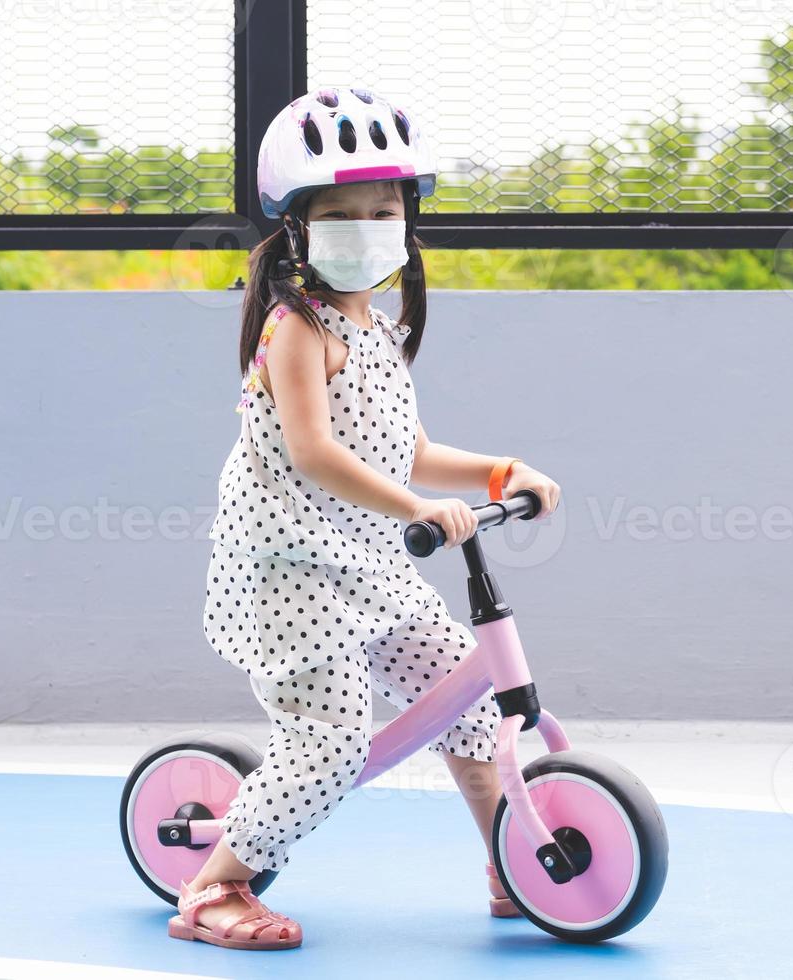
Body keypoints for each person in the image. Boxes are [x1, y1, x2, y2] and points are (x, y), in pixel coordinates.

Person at [171, 86, 562, 951]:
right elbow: (315, 451)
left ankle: (512, 861)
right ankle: (214, 889)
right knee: (331, 739)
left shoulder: (377, 330)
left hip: (369, 563)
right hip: (287, 573)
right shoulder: (295, 330)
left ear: (407, 221)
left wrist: (499, 470)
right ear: (297, 231)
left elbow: (407, 450)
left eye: (382, 208)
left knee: (467, 693)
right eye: (340, 212)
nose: (366, 224)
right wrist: (422, 508)